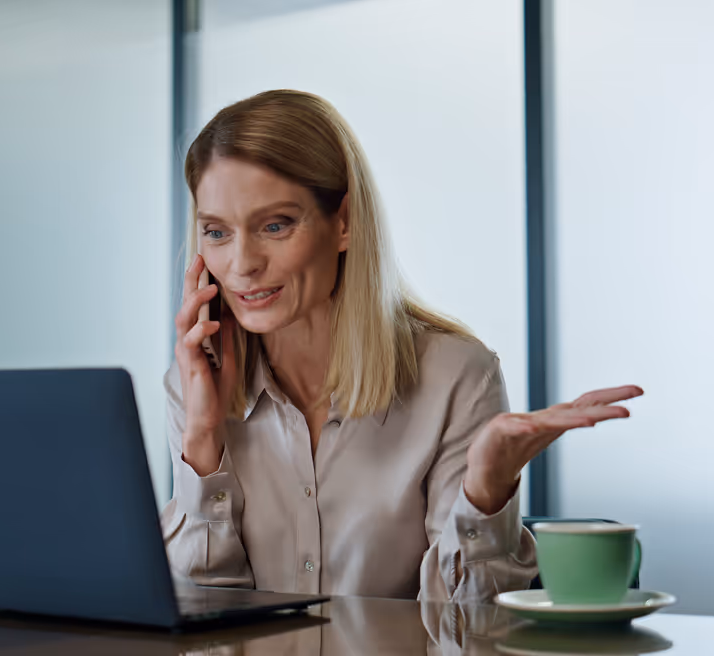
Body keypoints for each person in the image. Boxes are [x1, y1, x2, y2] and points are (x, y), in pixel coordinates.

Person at [160, 90, 642, 602]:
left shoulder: (456, 376)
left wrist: (485, 491)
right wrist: (204, 441)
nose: (242, 263)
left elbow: (468, 625)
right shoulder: (194, 387)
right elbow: (202, 615)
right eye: (216, 232)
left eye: (274, 225)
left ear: (343, 223)